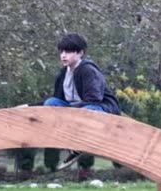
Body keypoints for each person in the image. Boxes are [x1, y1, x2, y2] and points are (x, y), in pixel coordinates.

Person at [40, 33, 120, 168]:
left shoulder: (88, 70)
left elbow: (94, 99)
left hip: (100, 108)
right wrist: (28, 106)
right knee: (50, 103)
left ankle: (78, 146)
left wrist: (71, 111)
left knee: (87, 111)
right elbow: (57, 99)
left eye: (69, 52)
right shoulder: (63, 73)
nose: (63, 55)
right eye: (62, 52)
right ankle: (69, 143)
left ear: (80, 53)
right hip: (76, 109)